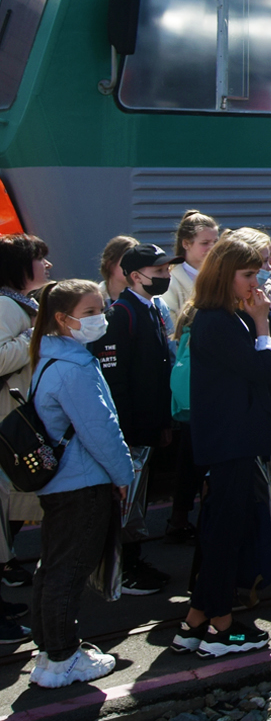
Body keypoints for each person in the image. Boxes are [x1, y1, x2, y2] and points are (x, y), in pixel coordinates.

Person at [180, 235, 271, 657]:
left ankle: (194, 622)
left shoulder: (227, 317)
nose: (255, 282)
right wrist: (263, 325)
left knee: (223, 530)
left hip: (234, 439)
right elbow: (266, 369)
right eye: (248, 274)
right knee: (225, 533)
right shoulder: (218, 321)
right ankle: (221, 628)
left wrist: (261, 331)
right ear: (226, 276)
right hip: (231, 441)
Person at [26, 279, 134, 688]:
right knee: (69, 571)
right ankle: (64, 657)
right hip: (83, 484)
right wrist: (124, 477)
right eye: (90, 312)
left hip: (60, 484)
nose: (100, 318)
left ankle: (51, 652)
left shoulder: (49, 359)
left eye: (100, 309)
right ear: (62, 318)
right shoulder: (75, 368)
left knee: (52, 567)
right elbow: (101, 431)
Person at [91, 242, 175, 595]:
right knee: (126, 502)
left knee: (138, 502)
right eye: (158, 272)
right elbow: (116, 379)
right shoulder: (122, 314)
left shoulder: (154, 308)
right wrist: (126, 431)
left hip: (151, 424)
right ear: (136, 276)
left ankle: (134, 560)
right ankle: (121, 569)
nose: (165, 276)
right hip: (132, 429)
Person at [0, 233, 52, 591]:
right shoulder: (7, 306)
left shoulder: (22, 303)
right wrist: (35, 334)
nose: (47, 264)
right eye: (40, 258)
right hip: (9, 419)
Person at [163, 211, 218, 324]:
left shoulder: (222, 275)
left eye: (215, 242)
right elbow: (171, 329)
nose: (212, 248)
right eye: (205, 243)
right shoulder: (171, 282)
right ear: (186, 244)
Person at [97, 237, 138, 305]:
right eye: (129, 262)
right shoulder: (93, 299)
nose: (135, 267)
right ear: (109, 264)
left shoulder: (152, 300)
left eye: (139, 262)